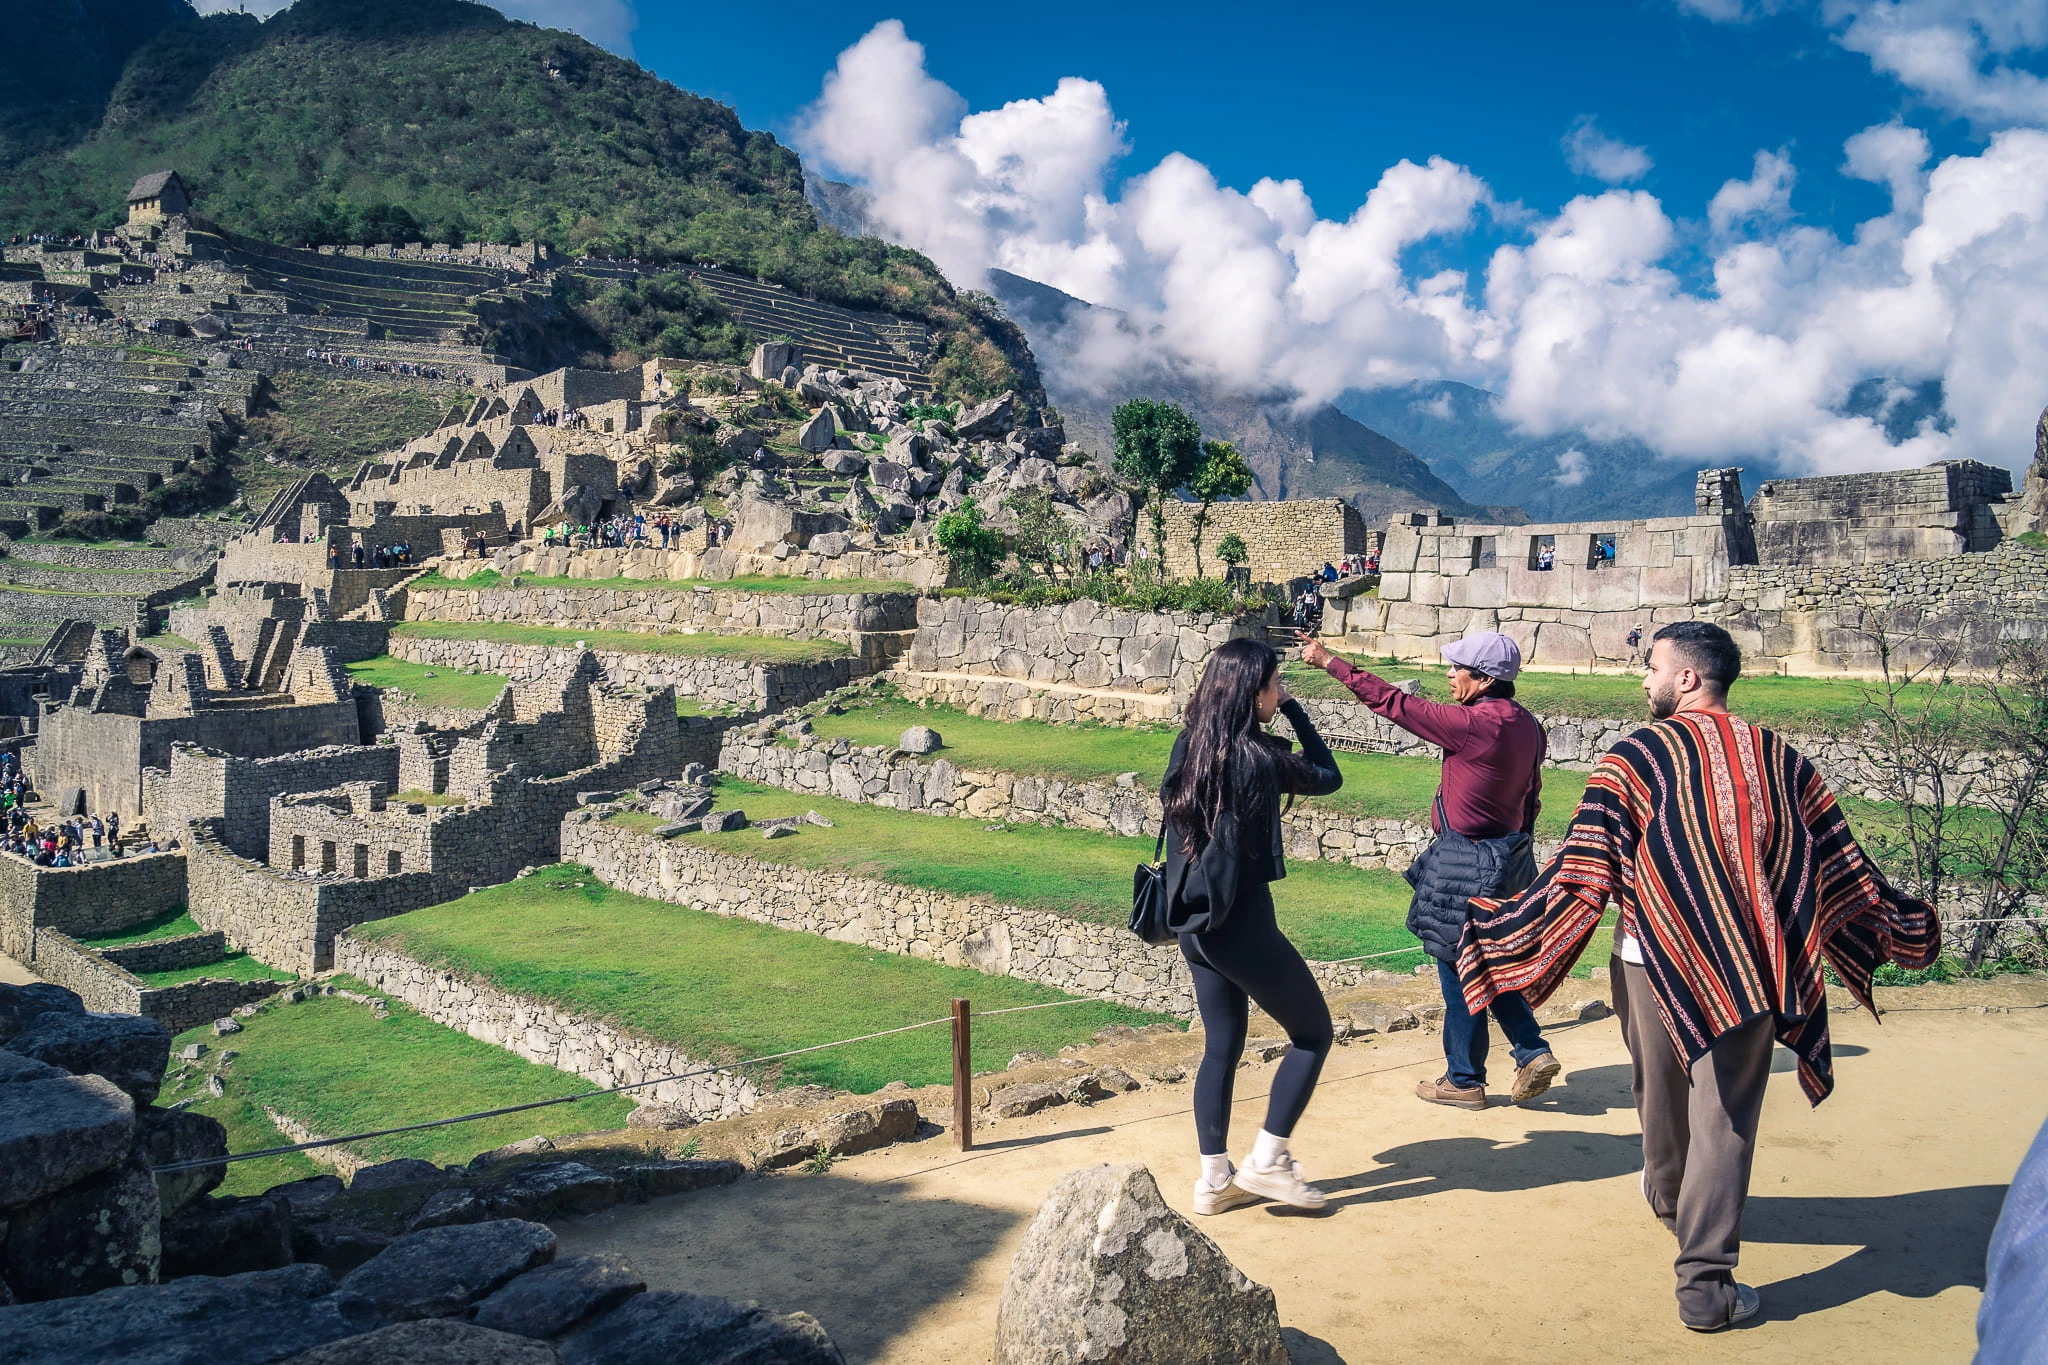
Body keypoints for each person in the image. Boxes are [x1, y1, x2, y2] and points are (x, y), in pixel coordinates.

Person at [1456, 621, 1939, 1332]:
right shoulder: (1781, 760)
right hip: (1749, 967)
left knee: (1658, 1095)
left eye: (1651, 667)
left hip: (1646, 960)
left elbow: (1582, 867)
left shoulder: (1634, 756)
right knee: (1724, 1118)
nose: (1643, 678)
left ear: (1687, 678)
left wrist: (1506, 930)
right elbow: (1839, 861)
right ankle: (1705, 1280)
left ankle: (1676, 1214)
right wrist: (1902, 923)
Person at [1299, 631, 1559, 1108]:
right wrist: (1516, 847)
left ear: (1484, 679)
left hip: (1464, 861)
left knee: (1457, 967)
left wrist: (1328, 662)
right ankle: (1528, 1050)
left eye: (1458, 668)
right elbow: (1532, 795)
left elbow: (1393, 703)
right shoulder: (1528, 724)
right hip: (1510, 855)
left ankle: (1466, 1079)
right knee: (1486, 961)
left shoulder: (1471, 724)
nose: (1450, 674)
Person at [1161, 637, 1343, 1213]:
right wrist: (1295, 711)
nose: (1279, 691)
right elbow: (1327, 774)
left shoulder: (1190, 745)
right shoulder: (1258, 759)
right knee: (1313, 1035)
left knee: (1221, 1047)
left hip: (1194, 923)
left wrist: (1278, 704)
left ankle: (1215, 1180)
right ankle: (1268, 1160)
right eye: (1275, 684)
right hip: (1240, 924)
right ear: (1252, 692)